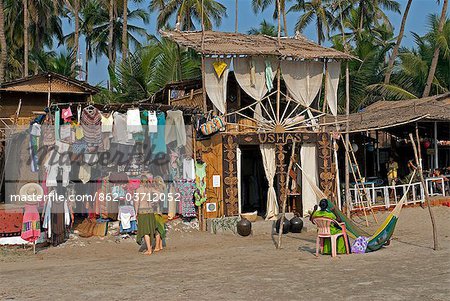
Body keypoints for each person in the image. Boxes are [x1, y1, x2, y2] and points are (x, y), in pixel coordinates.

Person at [134, 175, 162, 255]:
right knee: (153, 229)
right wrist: (155, 201)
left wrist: (136, 213)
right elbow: (160, 194)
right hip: (151, 211)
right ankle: (157, 246)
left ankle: (149, 249)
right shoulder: (150, 189)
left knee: (145, 231)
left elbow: (137, 202)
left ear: (140, 181)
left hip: (143, 212)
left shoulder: (138, 190)